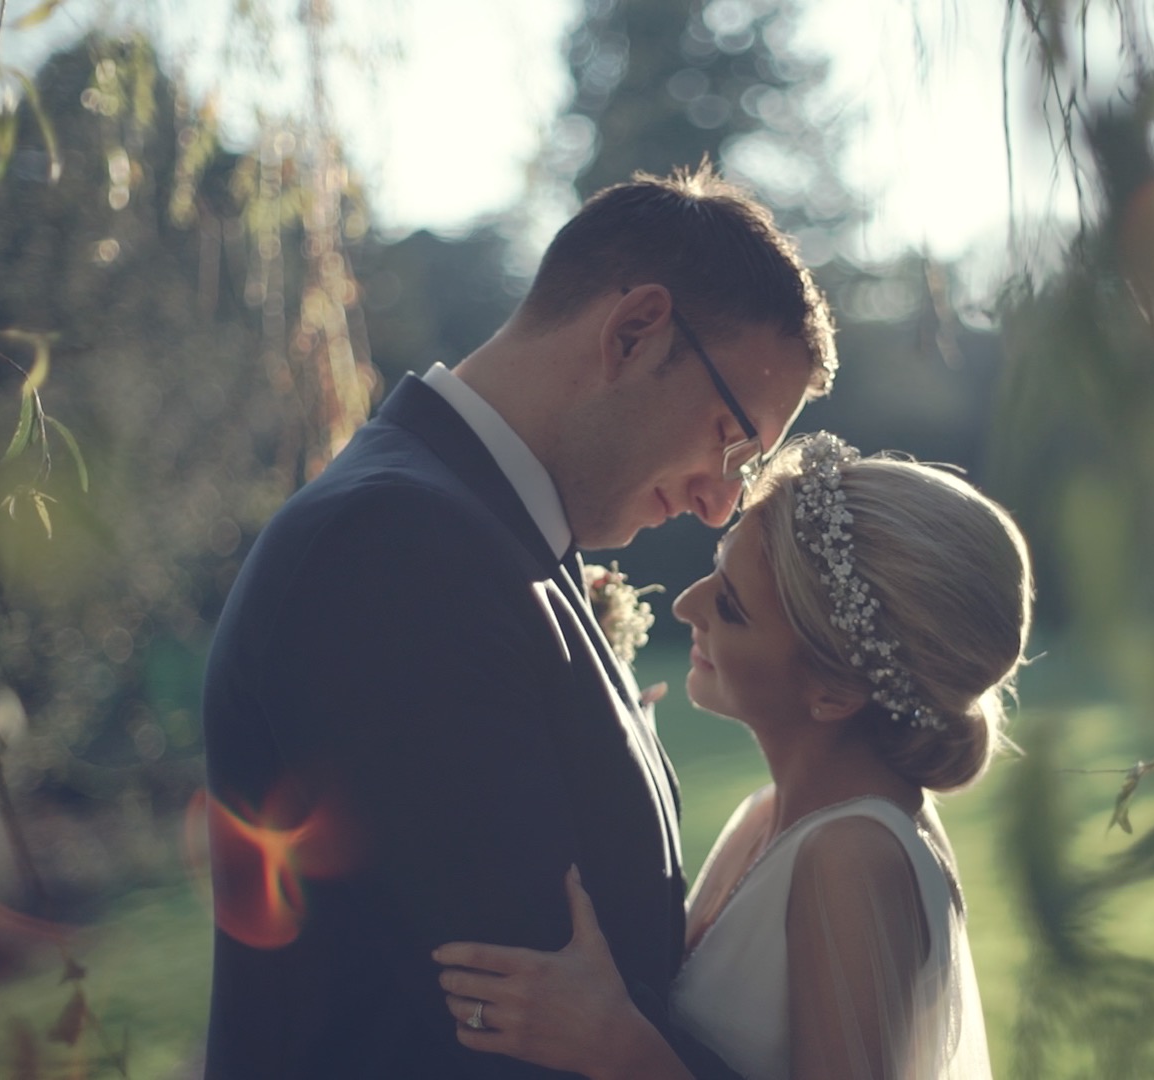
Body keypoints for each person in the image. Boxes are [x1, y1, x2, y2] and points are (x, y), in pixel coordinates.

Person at [200, 164, 836, 1079]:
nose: (718, 502)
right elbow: (511, 1029)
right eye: (734, 441)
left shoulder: (488, 539)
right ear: (635, 331)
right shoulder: (394, 548)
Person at [433, 432, 1033, 1080]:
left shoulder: (853, 859)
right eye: (717, 569)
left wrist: (613, 1044)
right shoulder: (770, 815)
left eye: (731, 607)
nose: (688, 605)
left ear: (832, 692)